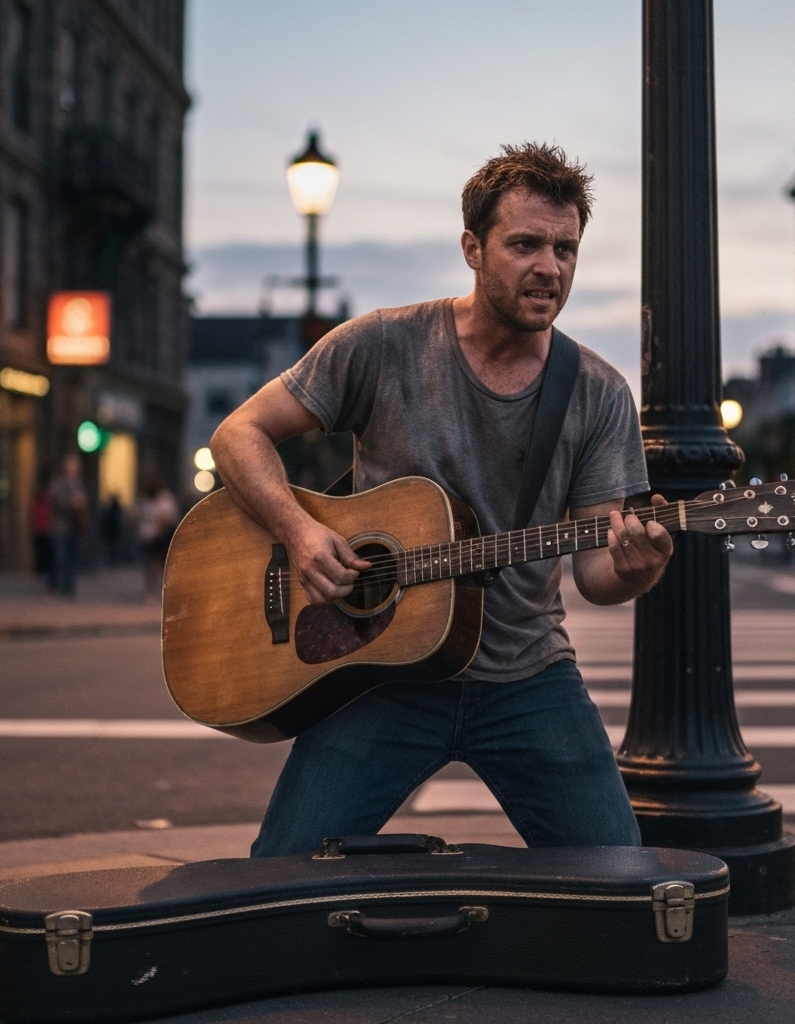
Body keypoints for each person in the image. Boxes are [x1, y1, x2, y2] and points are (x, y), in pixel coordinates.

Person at [211, 143, 674, 858]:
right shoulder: (381, 345)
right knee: (278, 881)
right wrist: (299, 533)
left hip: (527, 676)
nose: (549, 267)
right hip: (381, 671)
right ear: (473, 248)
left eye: (565, 248)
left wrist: (639, 569)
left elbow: (595, 576)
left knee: (621, 886)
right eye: (525, 244)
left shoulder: (598, 391)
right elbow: (238, 433)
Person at [49, 454, 88, 597]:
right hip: (60, 526)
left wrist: (80, 503)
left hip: (74, 527)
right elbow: (55, 500)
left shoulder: (78, 483)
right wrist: (71, 502)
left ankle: (68, 588)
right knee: (60, 558)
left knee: (72, 558)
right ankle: (56, 586)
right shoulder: (58, 483)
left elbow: (84, 501)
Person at [137, 471, 179, 599]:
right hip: (149, 536)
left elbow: (170, 517)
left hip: (161, 536)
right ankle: (151, 591)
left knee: (161, 565)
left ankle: (163, 592)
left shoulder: (165, 498)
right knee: (152, 565)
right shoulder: (145, 499)